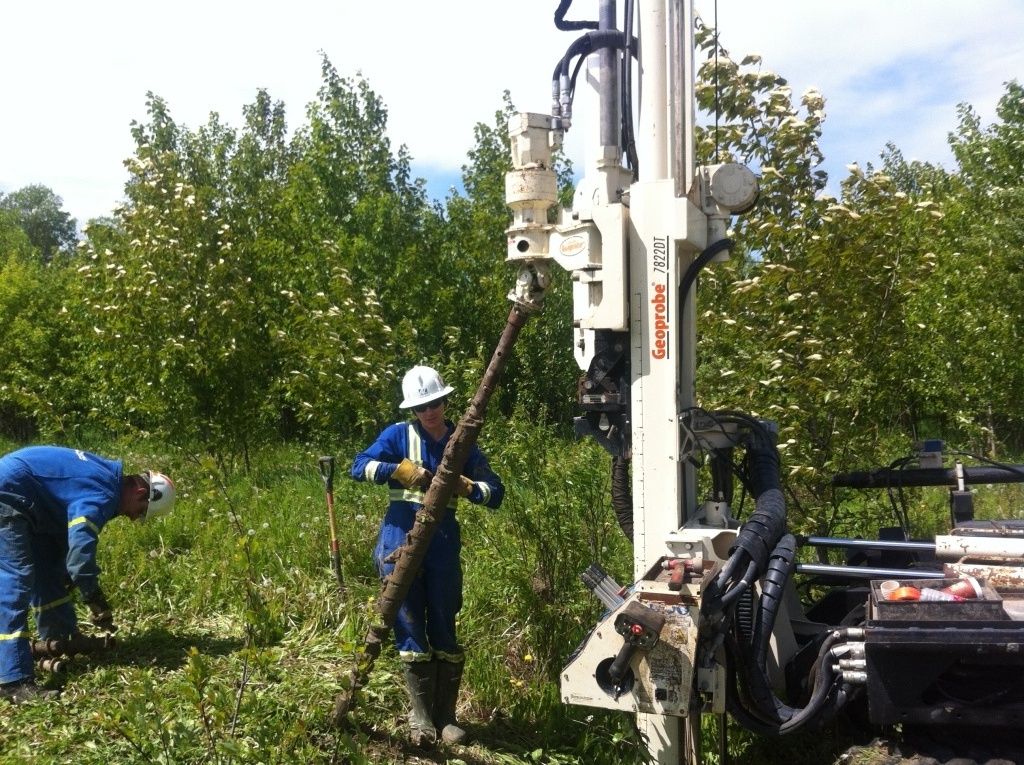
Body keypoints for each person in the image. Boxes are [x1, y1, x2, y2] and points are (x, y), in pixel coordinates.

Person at [351, 365, 504, 746]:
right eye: (421, 407)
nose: (429, 411)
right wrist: (400, 470)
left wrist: (469, 488)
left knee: (443, 624)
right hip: (398, 540)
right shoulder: (397, 435)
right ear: (412, 410)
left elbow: (495, 492)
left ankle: (446, 718)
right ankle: (421, 719)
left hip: (442, 545)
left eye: (434, 403)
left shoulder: (461, 442)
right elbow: (359, 467)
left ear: (445, 401)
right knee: (408, 625)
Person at [0, 446, 176, 704]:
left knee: (49, 572)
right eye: (140, 511)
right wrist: (93, 595)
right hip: (9, 492)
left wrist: (71, 573)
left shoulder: (105, 478)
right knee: (16, 580)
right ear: (140, 493)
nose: (132, 518)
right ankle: (13, 680)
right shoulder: (103, 492)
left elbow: (67, 529)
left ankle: (60, 641)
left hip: (29, 499)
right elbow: (81, 552)